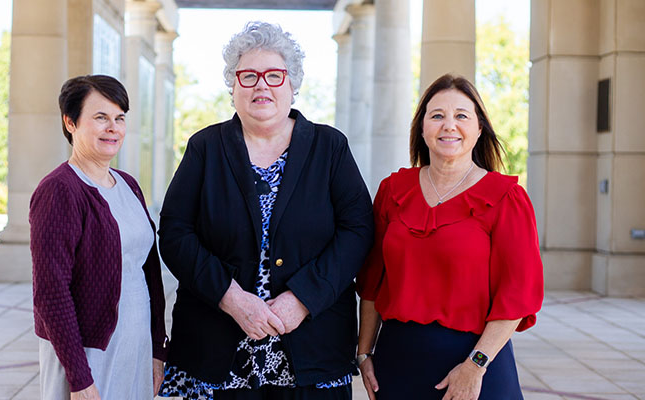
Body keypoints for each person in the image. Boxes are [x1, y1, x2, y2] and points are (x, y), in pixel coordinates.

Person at [157, 21, 373, 400]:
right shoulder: (204, 147)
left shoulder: (330, 147)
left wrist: (303, 299)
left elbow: (357, 230)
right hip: (213, 350)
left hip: (313, 347)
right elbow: (175, 231)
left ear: (292, 84)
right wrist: (230, 297)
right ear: (234, 86)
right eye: (249, 75)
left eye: (274, 75)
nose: (261, 85)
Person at [356, 74, 544, 400]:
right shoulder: (393, 191)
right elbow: (372, 281)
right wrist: (363, 352)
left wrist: (475, 366)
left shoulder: (505, 198)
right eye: (437, 115)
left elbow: (516, 297)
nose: (449, 125)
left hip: (476, 363)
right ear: (422, 127)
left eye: (461, 116)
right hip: (398, 362)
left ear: (479, 127)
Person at [30, 75, 167, 400]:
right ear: (70, 122)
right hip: (85, 352)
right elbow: (51, 293)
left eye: (119, 118)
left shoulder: (128, 184)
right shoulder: (59, 191)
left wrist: (158, 349)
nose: (113, 128)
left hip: (135, 342)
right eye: (101, 117)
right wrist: (79, 379)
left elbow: (149, 273)